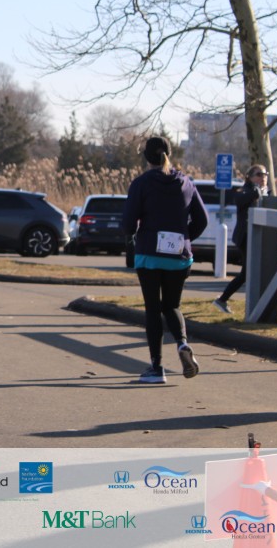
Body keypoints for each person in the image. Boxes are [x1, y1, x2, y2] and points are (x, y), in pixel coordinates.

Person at [122, 136, 208, 384]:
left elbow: (128, 223)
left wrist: (132, 234)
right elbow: (202, 220)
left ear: (146, 157)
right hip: (178, 257)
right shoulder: (186, 183)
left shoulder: (141, 183)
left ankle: (156, 368)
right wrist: (185, 238)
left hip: (149, 255)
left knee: (153, 309)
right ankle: (182, 344)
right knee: (172, 306)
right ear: (170, 154)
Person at [213, 165, 269, 314]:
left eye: (265, 174)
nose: (263, 177)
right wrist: (257, 191)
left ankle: (226, 300)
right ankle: (223, 300)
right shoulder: (244, 191)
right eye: (259, 174)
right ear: (249, 177)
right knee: (247, 273)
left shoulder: (266, 192)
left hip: (260, 237)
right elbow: (240, 200)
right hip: (246, 237)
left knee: (255, 271)